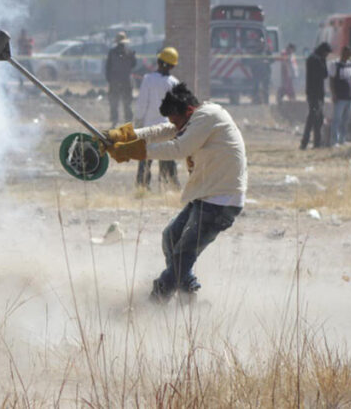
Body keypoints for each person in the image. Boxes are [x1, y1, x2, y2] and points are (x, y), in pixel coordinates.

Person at [103, 83, 247, 301]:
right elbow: (161, 131)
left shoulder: (208, 116)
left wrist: (133, 152)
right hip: (207, 195)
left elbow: (179, 148)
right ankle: (188, 291)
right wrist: (122, 136)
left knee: (183, 255)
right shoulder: (194, 119)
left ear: (187, 112)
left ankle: (156, 301)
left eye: (176, 121)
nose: (174, 127)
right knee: (171, 237)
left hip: (222, 200)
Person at [134, 47, 181, 191]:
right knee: (167, 158)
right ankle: (170, 186)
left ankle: (143, 186)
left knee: (145, 158)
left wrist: (138, 122)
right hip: (166, 127)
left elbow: (142, 103)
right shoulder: (174, 82)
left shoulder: (148, 79)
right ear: (173, 65)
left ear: (159, 61)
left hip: (148, 127)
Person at [300, 43, 331, 149]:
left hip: (314, 93)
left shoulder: (312, 58)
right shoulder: (317, 60)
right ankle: (306, 142)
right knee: (313, 117)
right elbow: (325, 74)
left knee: (317, 118)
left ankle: (315, 142)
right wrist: (324, 60)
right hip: (316, 93)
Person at [105, 31, 137, 126]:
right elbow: (134, 64)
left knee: (114, 102)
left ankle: (115, 121)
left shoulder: (112, 52)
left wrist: (110, 80)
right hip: (126, 81)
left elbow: (107, 68)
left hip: (115, 81)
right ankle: (128, 122)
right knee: (127, 102)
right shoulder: (130, 52)